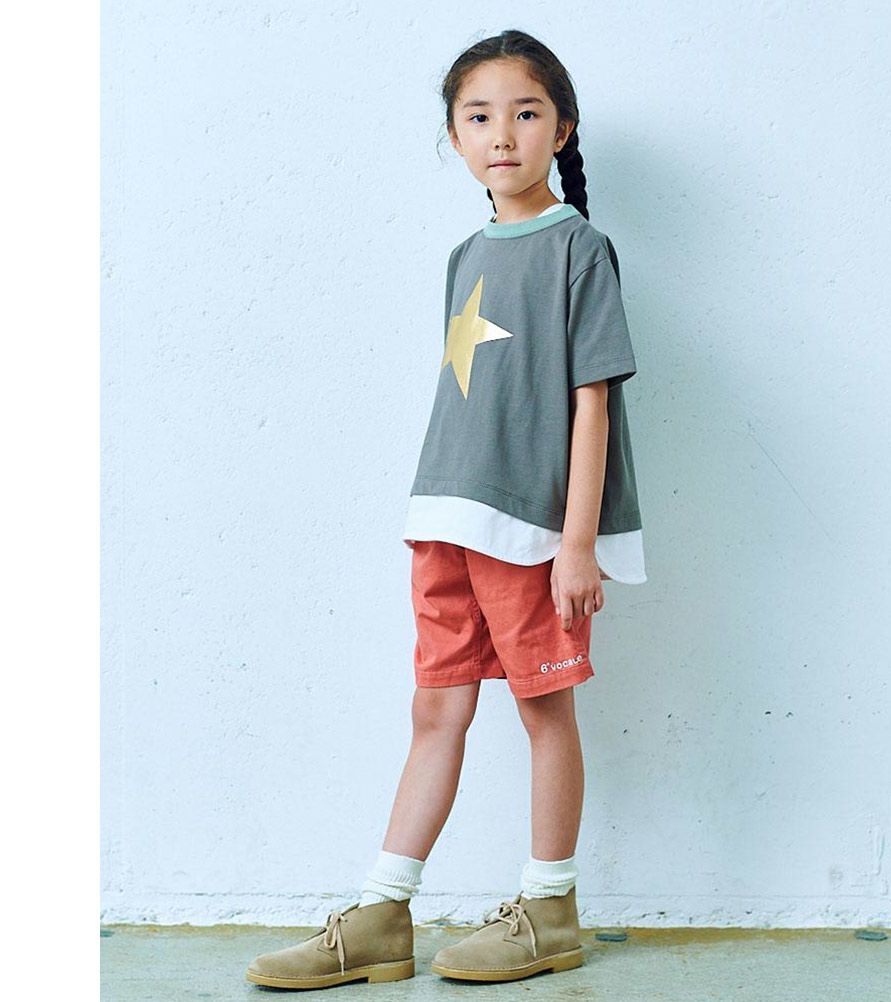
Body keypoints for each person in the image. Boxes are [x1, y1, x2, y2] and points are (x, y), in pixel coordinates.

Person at [246, 28, 646, 990]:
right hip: (446, 518)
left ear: (562, 129)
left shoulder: (579, 249)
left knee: (544, 709)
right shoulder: (465, 254)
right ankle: (384, 912)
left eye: (526, 112)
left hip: (530, 530)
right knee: (436, 708)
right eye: (479, 116)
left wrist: (577, 542)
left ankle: (550, 907)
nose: (502, 133)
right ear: (455, 136)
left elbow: (592, 403)